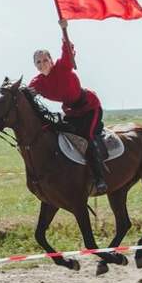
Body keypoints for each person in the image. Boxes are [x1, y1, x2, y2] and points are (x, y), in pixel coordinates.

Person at [28, 19, 108, 194]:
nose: (43, 64)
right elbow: (26, 94)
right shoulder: (38, 83)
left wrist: (64, 31)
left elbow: (67, 51)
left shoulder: (63, 67)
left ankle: (99, 179)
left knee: (85, 137)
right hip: (71, 111)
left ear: (50, 60)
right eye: (38, 62)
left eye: (45, 60)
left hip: (89, 106)